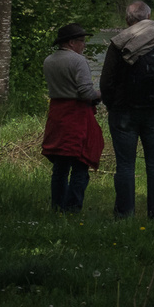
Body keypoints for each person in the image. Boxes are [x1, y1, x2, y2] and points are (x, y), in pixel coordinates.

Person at [99, 0, 154, 220]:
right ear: (149, 17)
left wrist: (111, 103)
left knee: (125, 164)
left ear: (127, 20)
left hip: (123, 110)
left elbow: (106, 82)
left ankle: (124, 215)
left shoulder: (120, 42)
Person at [42, 24, 103, 213]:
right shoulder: (77, 61)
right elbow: (86, 92)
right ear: (71, 42)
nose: (84, 45)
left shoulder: (49, 60)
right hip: (76, 115)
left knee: (60, 166)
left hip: (57, 113)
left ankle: (57, 206)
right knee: (80, 163)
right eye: (82, 41)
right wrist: (103, 93)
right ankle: (73, 208)